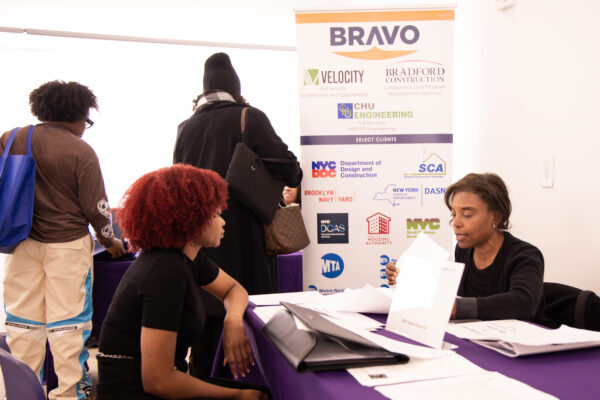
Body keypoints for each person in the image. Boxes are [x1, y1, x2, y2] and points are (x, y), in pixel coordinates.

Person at [173, 52, 302, 377]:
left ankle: (205, 385)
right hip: (246, 238)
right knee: (250, 318)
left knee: (206, 324)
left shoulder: (185, 128)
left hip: (199, 241)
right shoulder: (249, 117)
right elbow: (289, 170)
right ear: (235, 86)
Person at [96, 164, 269, 400]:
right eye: (216, 215)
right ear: (191, 218)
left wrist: (233, 320)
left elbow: (233, 289)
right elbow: (159, 381)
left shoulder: (183, 258)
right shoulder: (166, 271)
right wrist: (236, 396)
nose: (223, 222)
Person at [0, 80, 126, 400]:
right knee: (69, 326)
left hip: (19, 243)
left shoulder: (11, 138)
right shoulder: (80, 151)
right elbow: (96, 207)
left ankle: (21, 392)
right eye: (86, 119)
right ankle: (70, 394)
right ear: (75, 114)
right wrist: (110, 241)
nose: (85, 126)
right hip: (67, 247)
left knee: (22, 325)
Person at [386, 173, 554, 326]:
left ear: (496, 216)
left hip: (525, 346)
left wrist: (457, 308)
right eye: (453, 214)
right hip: (481, 337)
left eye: (467, 215)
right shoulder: (463, 251)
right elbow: (450, 295)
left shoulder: (525, 255)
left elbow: (523, 303)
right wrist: (406, 278)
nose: (457, 223)